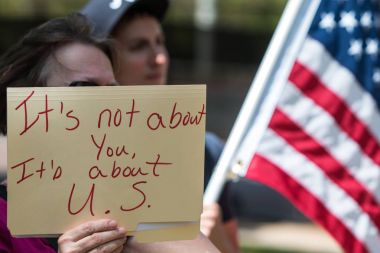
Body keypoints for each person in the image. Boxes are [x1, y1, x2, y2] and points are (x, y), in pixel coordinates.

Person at [0, 13, 219, 253]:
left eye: (114, 91)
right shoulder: (4, 217)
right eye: (84, 88)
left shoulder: (149, 213)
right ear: (28, 103)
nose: (108, 105)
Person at [81, 0, 239, 252]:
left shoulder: (206, 151)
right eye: (138, 46)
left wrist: (215, 235)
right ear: (99, 60)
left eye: (160, 42)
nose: (160, 58)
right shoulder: (72, 160)